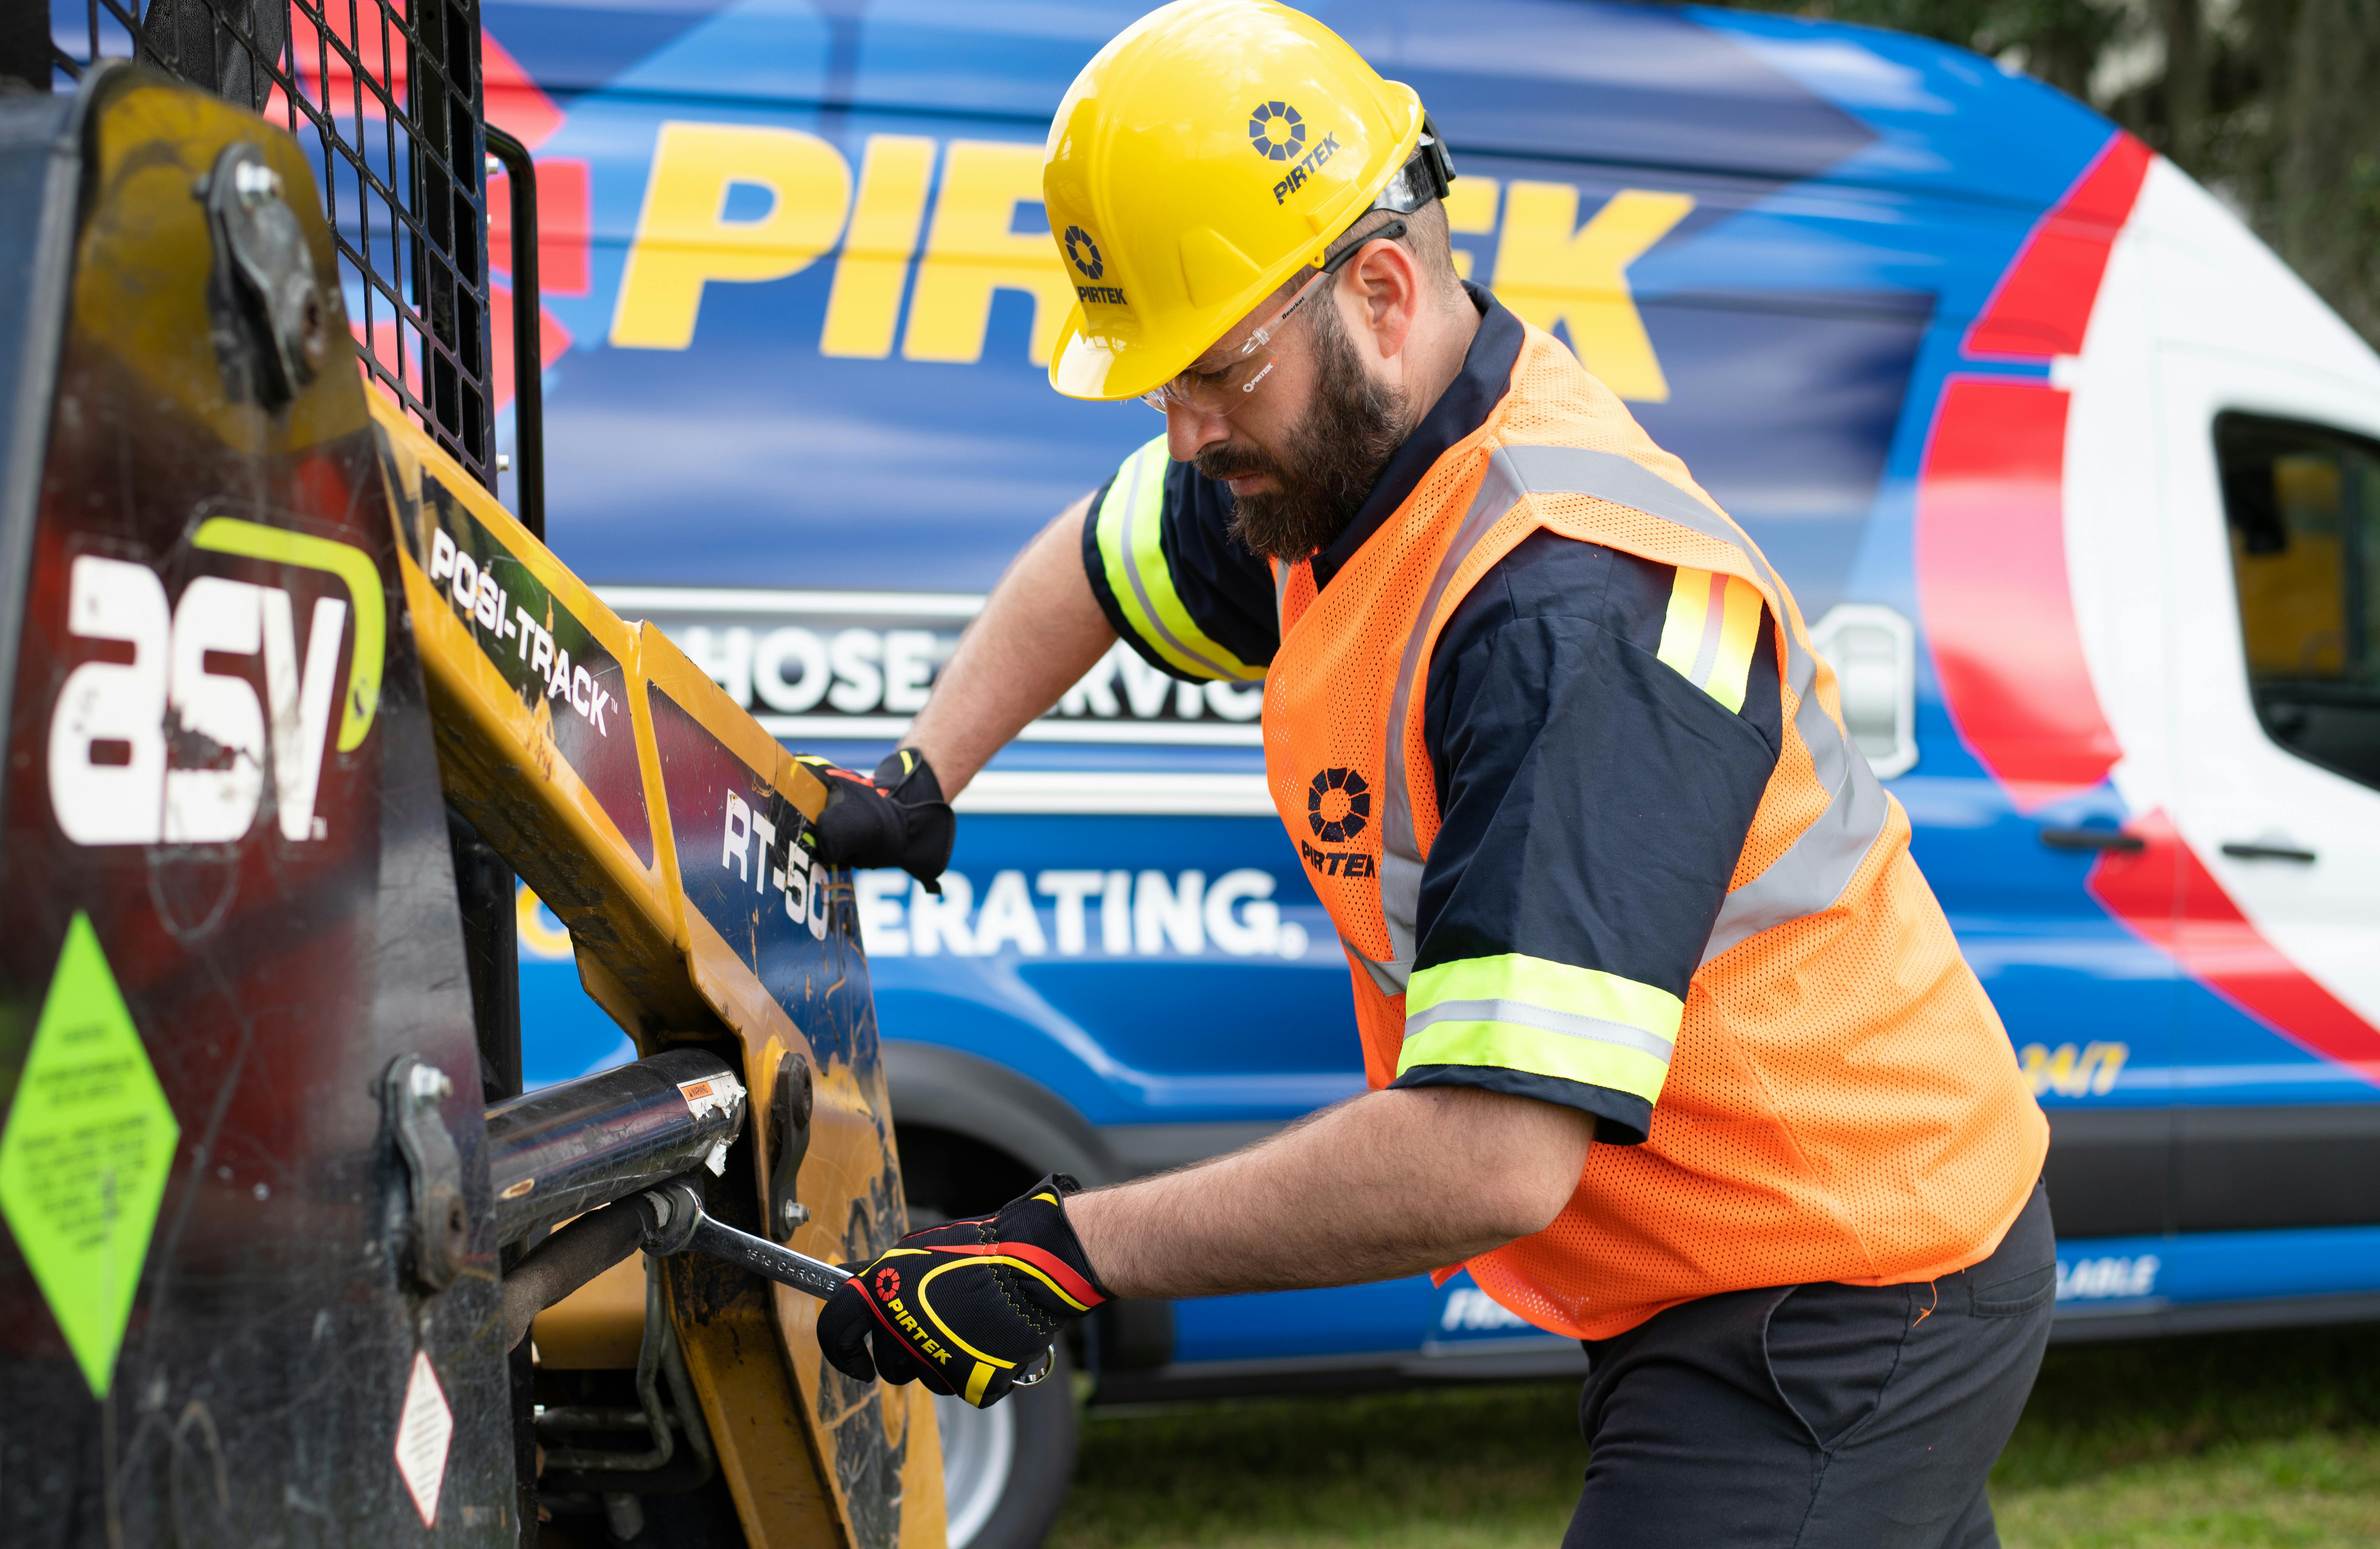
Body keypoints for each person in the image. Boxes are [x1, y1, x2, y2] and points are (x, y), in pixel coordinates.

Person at [803, 3, 2055, 1543]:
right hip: (1742, 1260)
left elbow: (1485, 1156)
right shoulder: (1329, 460)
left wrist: (1066, 1254)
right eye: (1156, 383)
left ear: (1380, 290)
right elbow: (1097, 559)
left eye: (1209, 373)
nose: (1183, 432)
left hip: (1841, 1286)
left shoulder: (1568, 609)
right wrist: (924, 770)